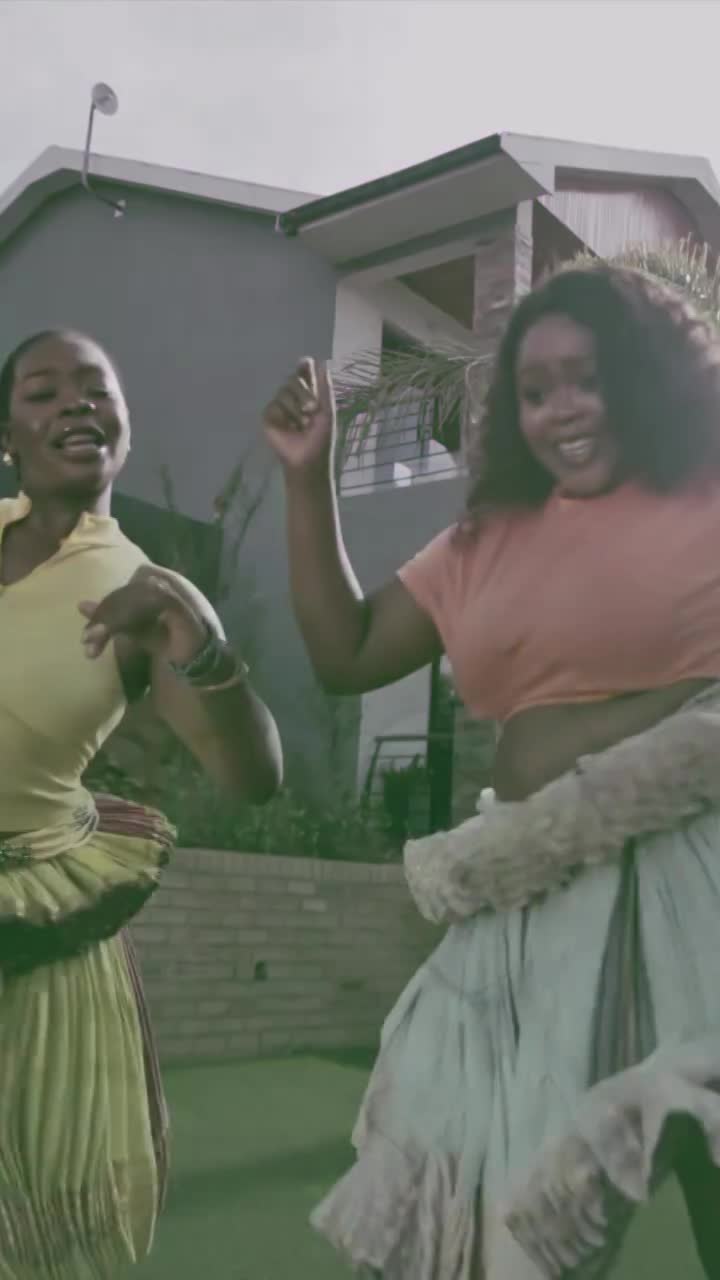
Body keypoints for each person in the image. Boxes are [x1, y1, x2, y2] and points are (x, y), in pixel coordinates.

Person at [263, 263, 720, 1280]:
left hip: (697, 881)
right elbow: (347, 652)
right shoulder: (485, 540)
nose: (564, 409)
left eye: (590, 378)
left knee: (704, 1151)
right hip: (528, 900)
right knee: (469, 1206)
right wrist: (305, 476)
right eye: (537, 389)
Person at [0, 328, 282, 1279]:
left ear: (125, 423)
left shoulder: (146, 593)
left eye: (96, 389)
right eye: (44, 391)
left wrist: (202, 643)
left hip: (29, 935)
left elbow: (253, 777)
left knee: (28, 1229)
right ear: (7, 437)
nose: (76, 404)